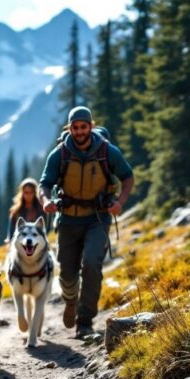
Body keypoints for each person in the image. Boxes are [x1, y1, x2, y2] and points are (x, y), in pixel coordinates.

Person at [39, 106, 135, 338]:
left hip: (97, 218)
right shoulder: (60, 154)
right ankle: (71, 301)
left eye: (84, 127)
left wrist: (120, 201)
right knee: (67, 274)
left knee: (92, 264)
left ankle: (85, 321)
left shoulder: (107, 151)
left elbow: (127, 177)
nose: (80, 131)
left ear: (91, 126)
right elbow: (45, 183)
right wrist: (45, 201)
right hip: (68, 219)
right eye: (75, 127)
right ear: (69, 128)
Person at [5, 178, 46, 243]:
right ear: (22, 193)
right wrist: (9, 240)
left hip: (37, 242)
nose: (28, 195)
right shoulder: (16, 211)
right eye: (26, 192)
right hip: (19, 242)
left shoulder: (41, 209)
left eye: (31, 192)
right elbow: (11, 231)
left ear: (35, 193)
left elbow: (45, 229)